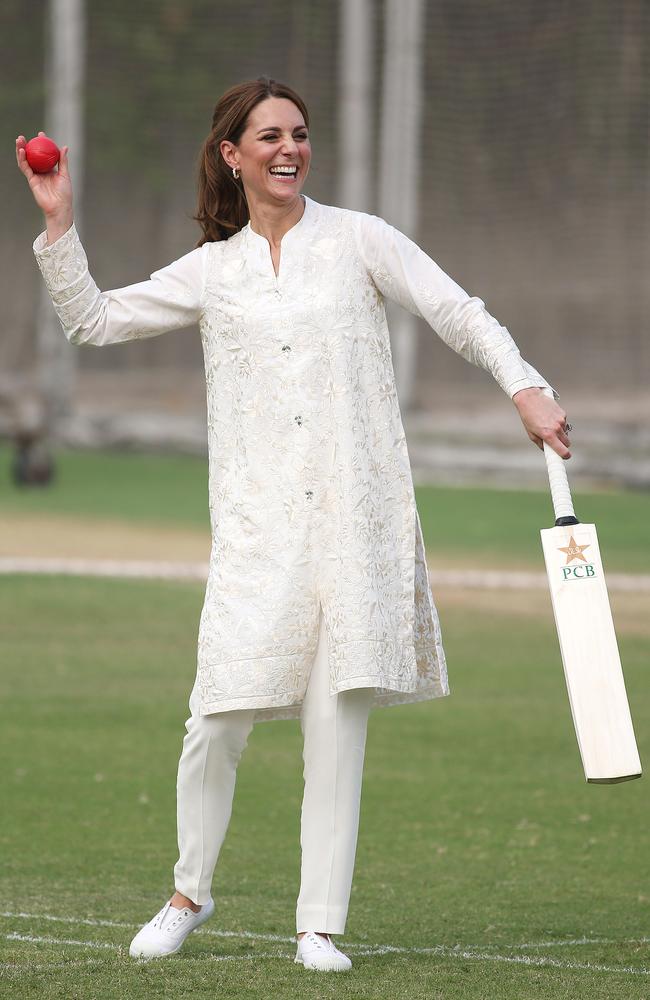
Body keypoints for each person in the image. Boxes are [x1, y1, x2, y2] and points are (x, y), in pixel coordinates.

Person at [16, 76, 570, 973]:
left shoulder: (360, 241)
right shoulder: (212, 270)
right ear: (232, 154)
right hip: (257, 531)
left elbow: (455, 310)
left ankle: (318, 924)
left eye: (300, 135)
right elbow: (93, 319)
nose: (289, 149)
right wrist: (57, 222)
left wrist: (525, 383)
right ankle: (188, 893)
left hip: (355, 521)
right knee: (215, 722)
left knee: (335, 725)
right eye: (269, 136)